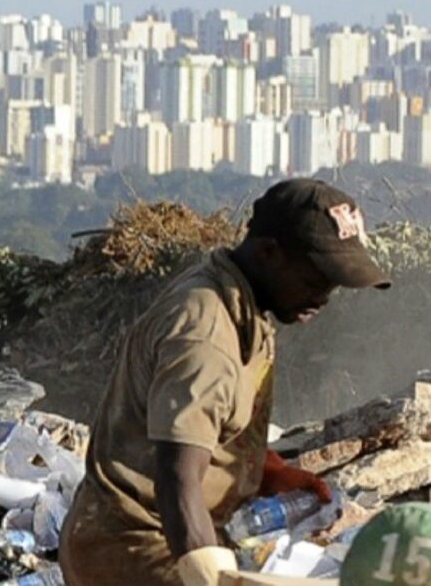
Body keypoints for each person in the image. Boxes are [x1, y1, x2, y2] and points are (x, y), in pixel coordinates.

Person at [59, 179, 391, 586]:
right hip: (138, 545)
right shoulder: (206, 335)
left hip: (168, 532)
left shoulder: (241, 303)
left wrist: (264, 471)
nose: (325, 296)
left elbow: (210, 421)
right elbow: (176, 477)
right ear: (270, 253)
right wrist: (210, 576)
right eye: (316, 279)